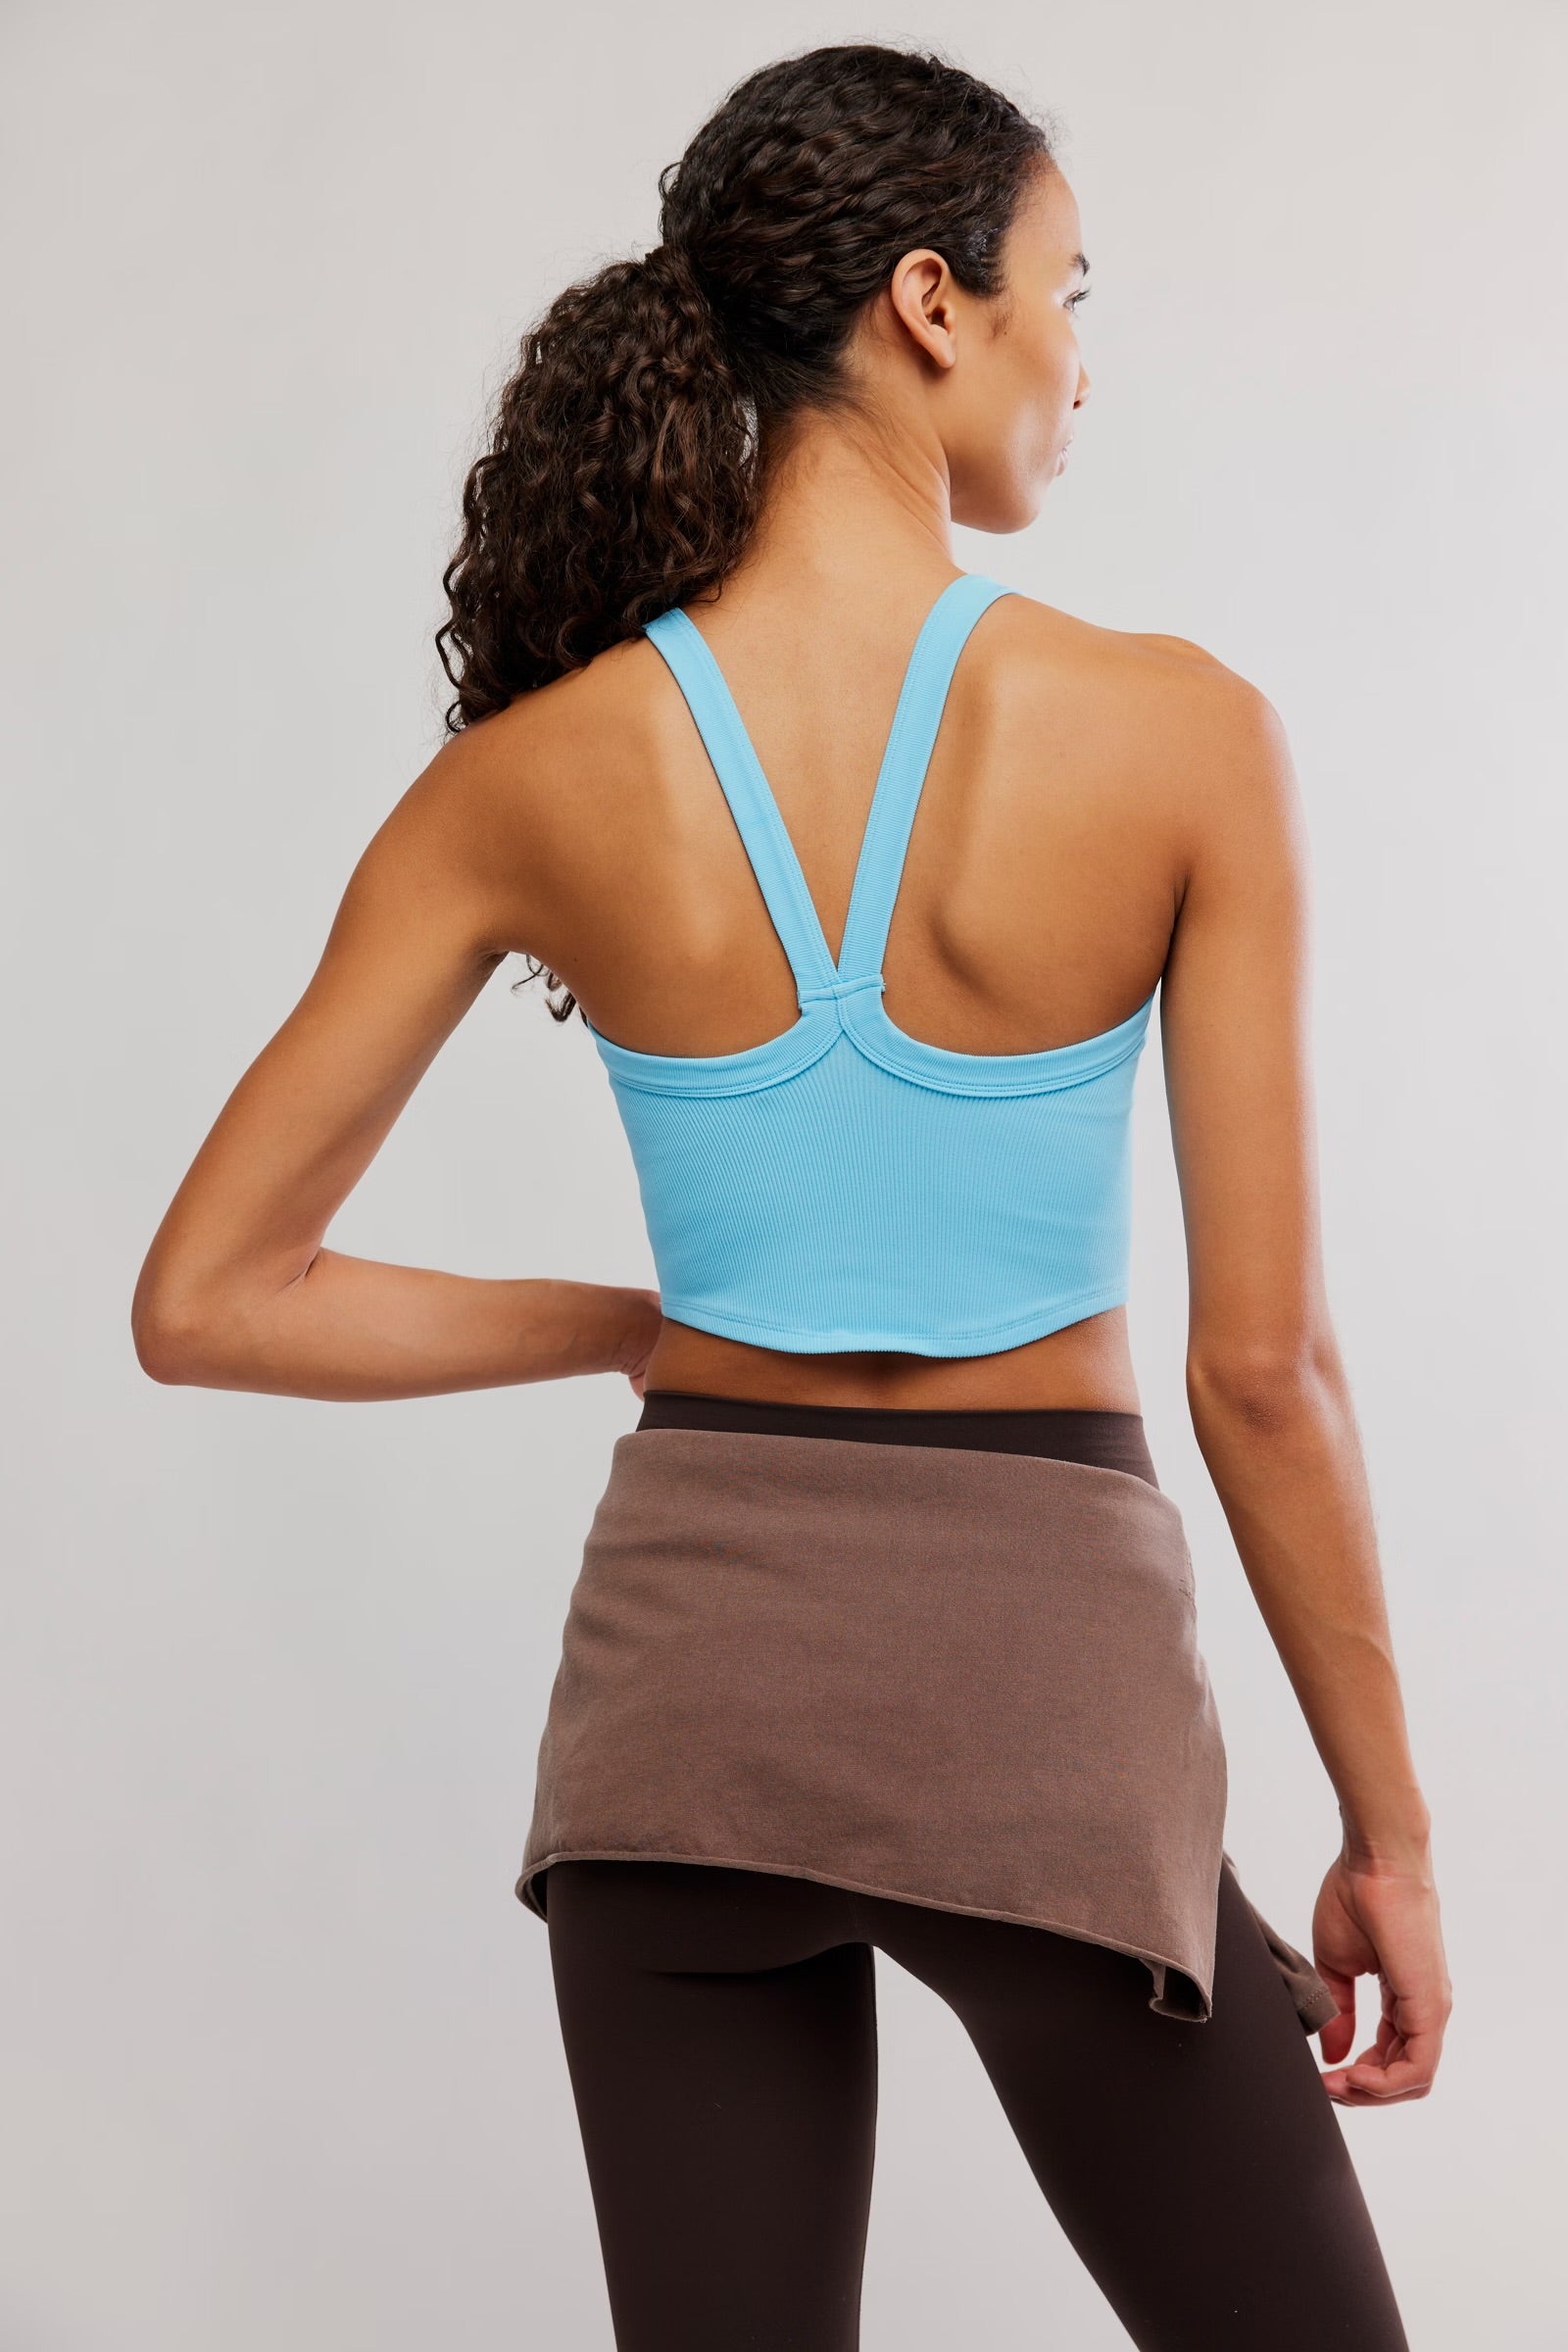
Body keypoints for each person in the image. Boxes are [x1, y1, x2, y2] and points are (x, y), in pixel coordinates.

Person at [132, 42, 1450, 2352]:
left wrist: (633, 1330)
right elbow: (1259, 1368)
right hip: (1044, 1691)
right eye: (1068, 286)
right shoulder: (1175, 734)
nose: (1081, 353)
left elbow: (212, 1302)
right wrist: (1390, 1835)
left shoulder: (531, 778)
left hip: (682, 1687)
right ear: (928, 306)